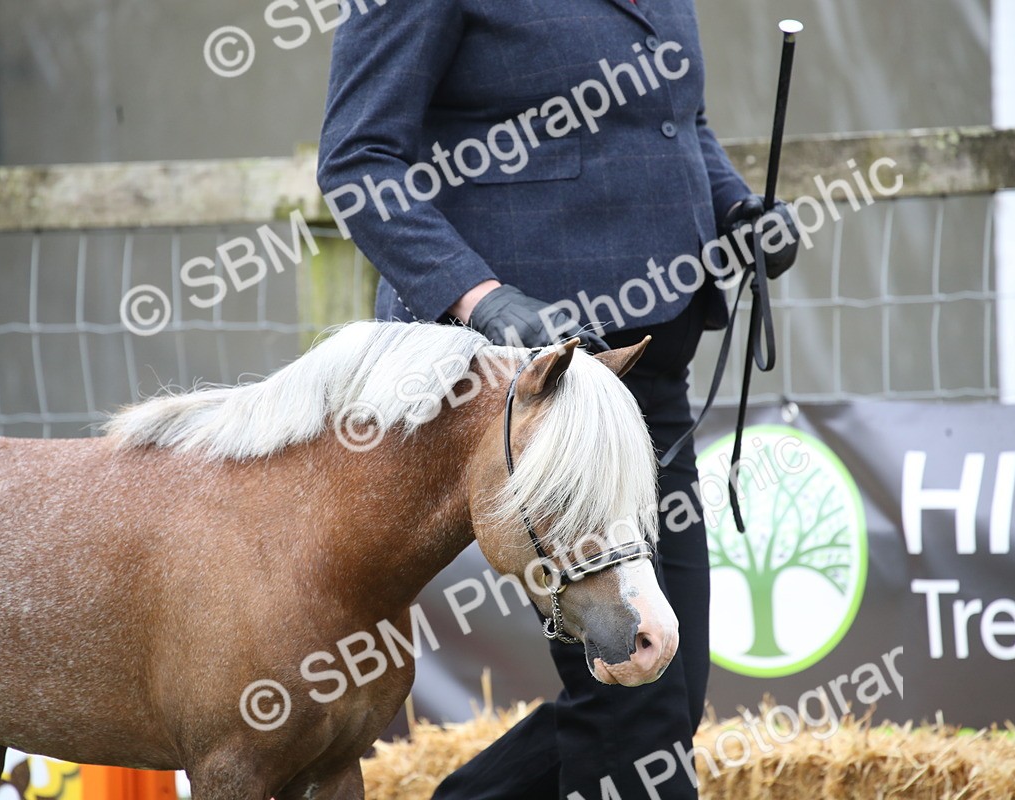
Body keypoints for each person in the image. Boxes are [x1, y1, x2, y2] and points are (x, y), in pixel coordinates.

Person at [318, 2, 798, 797]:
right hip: (531, 394)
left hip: (650, 375)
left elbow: (677, 124)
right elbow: (359, 160)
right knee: (636, 693)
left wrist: (736, 210)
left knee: (666, 682)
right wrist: (477, 295)